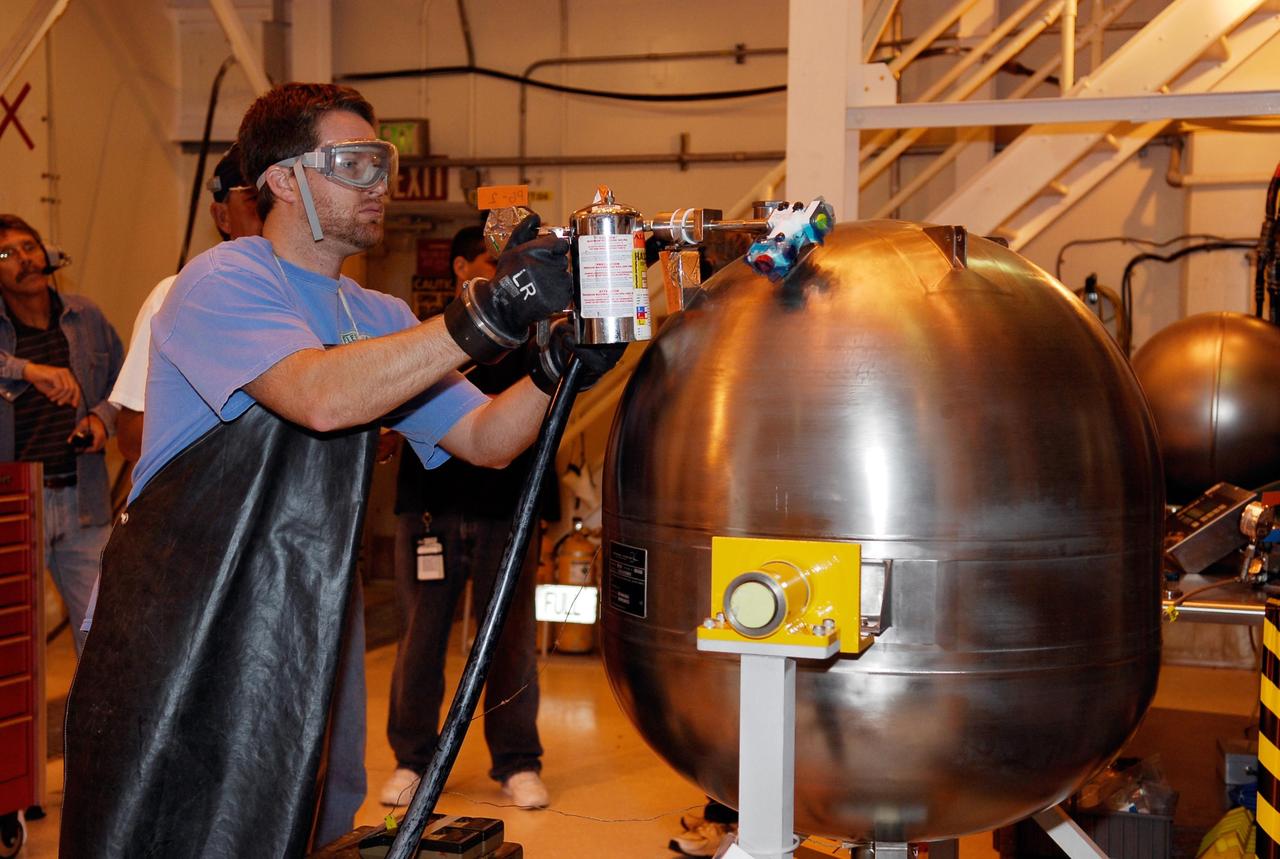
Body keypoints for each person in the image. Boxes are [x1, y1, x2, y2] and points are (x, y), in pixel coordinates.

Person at [61, 82, 621, 858]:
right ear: (284, 179)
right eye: (352, 163)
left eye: (382, 162)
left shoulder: (380, 316)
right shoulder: (223, 279)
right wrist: (489, 311)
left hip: (299, 614)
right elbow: (319, 395)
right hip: (177, 620)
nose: (379, 184)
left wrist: (557, 370)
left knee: (303, 817)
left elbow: (488, 438)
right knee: (169, 829)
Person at [381, 226, 555, 811]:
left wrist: (544, 514)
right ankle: (413, 760)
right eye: (489, 260)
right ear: (460, 267)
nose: (501, 271)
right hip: (429, 511)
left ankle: (516, 762)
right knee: (420, 639)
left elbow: (539, 428)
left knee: (509, 641)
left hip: (506, 511)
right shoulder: (424, 335)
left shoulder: (535, 337)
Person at [0, 214, 122, 656]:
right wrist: (27, 370)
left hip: (82, 499)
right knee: (14, 640)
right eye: (6, 254)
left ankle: (95, 726)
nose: (24, 260)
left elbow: (124, 385)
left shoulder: (84, 315)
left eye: (29, 247)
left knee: (103, 634)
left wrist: (100, 420)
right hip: (13, 506)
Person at [109, 143, 263, 461]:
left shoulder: (328, 298)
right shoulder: (179, 295)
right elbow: (133, 437)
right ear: (222, 215)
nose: (272, 214)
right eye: (255, 200)